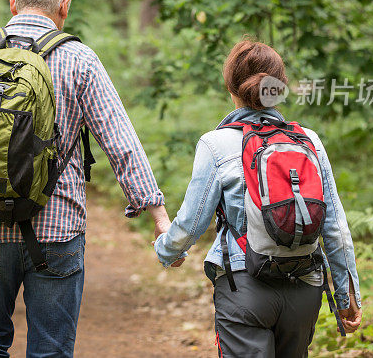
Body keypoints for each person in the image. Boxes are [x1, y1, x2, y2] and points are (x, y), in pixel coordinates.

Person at [0, 0, 172, 358]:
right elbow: (121, 142)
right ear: (64, 7)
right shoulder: (80, 59)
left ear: (13, 2)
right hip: (57, 231)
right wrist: (157, 215)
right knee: (50, 351)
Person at [154, 39, 362, 358]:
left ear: (230, 86)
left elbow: (191, 223)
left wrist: (167, 251)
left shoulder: (216, 144)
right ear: (280, 87)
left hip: (244, 288)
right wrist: (347, 298)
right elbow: (335, 228)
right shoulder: (309, 141)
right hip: (305, 287)